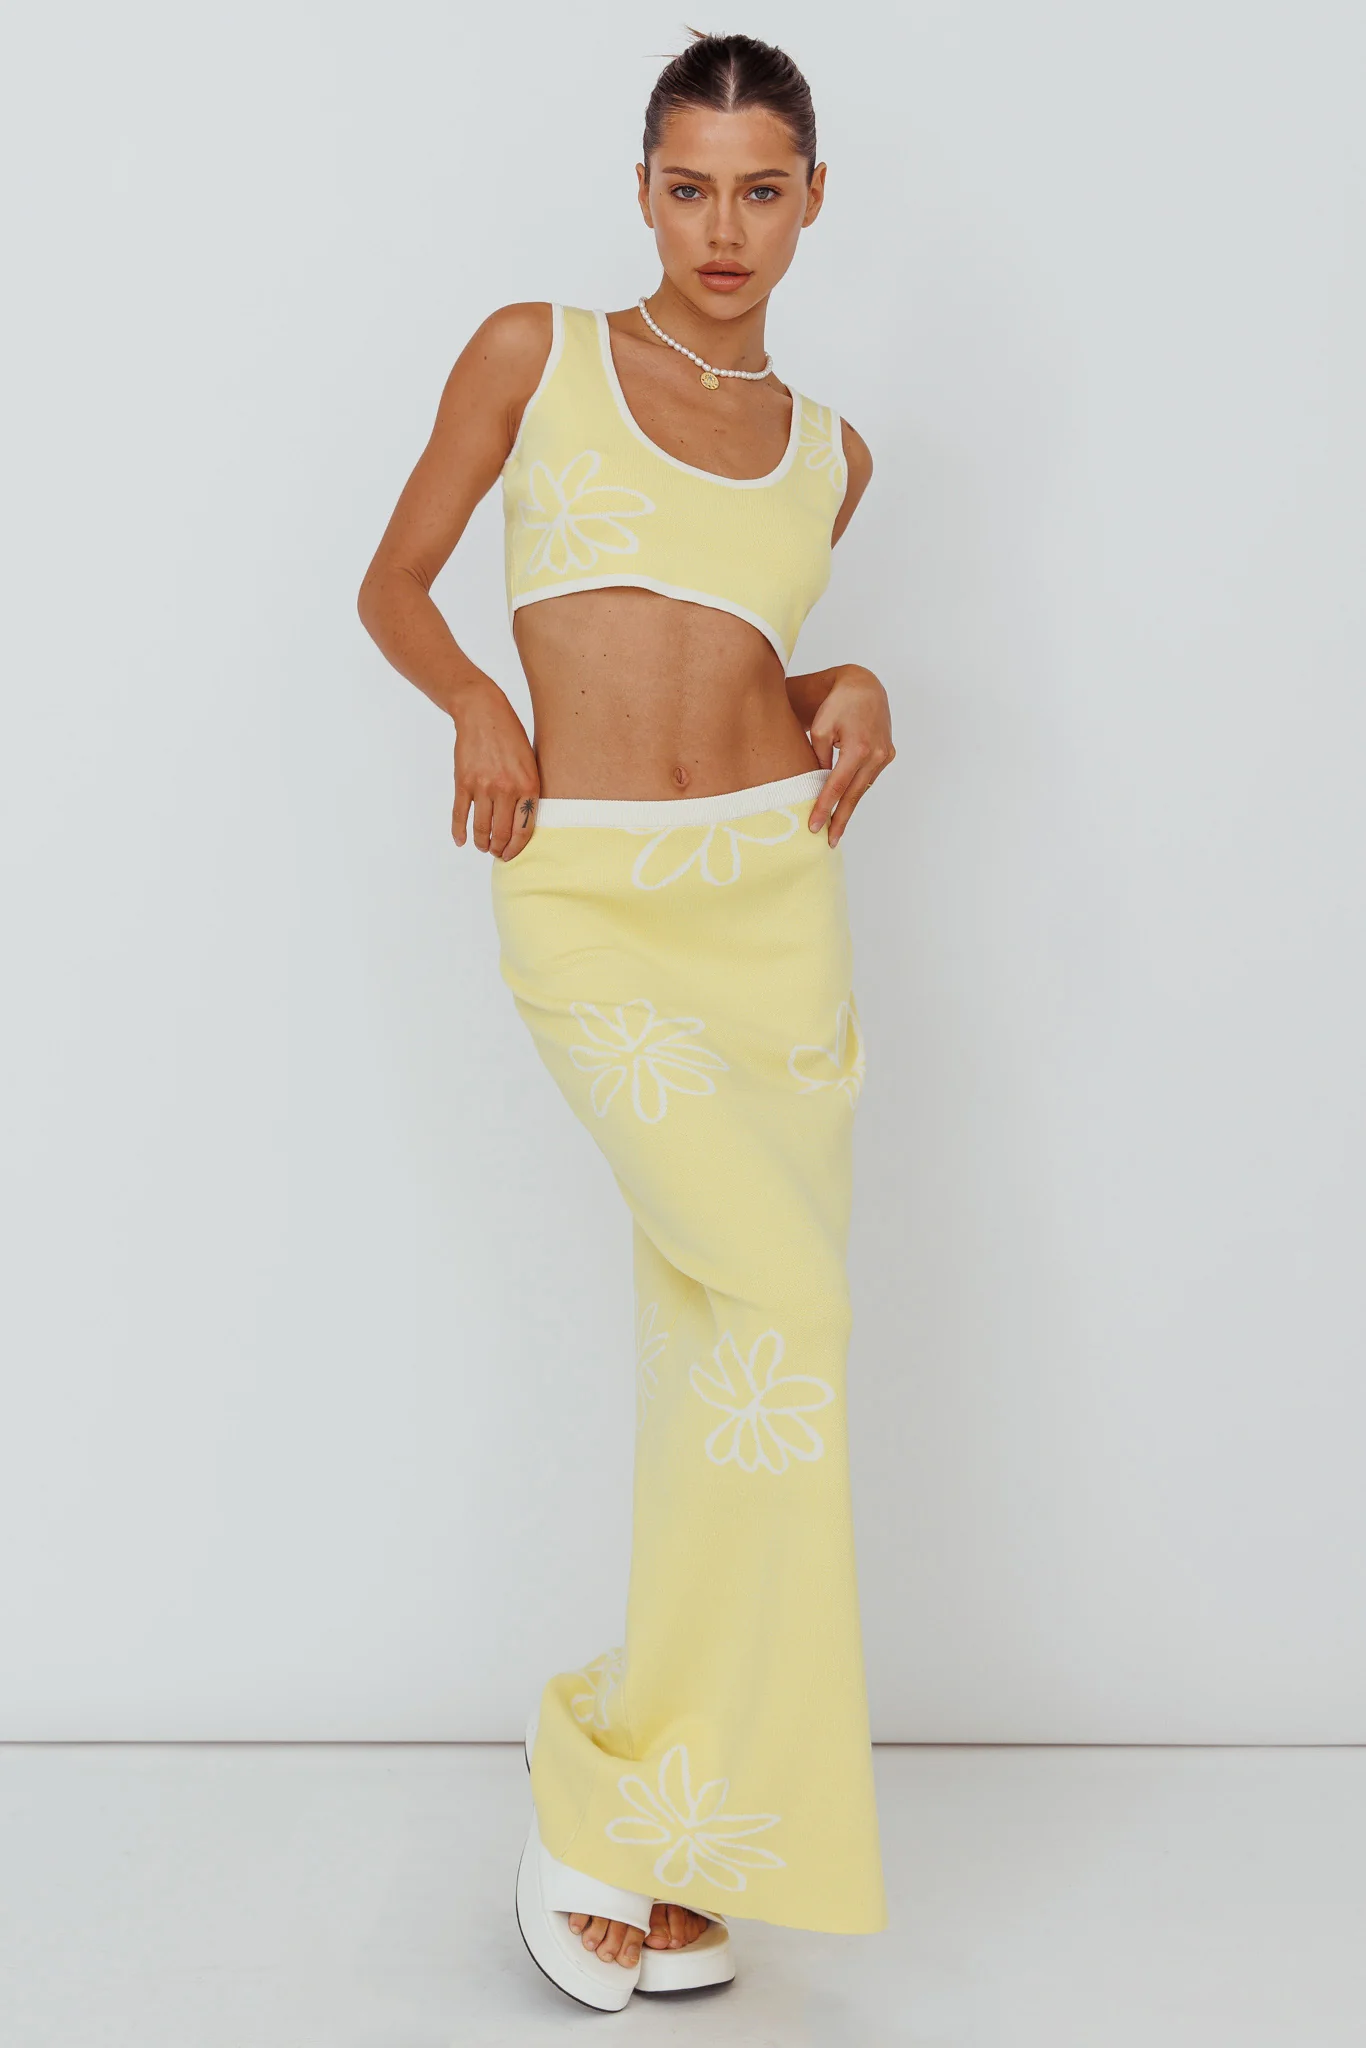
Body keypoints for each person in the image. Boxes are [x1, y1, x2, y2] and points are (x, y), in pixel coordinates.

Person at [357, 30, 895, 2013]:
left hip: (770, 908)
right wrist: (474, 703)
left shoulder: (835, 452)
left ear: (813, 200)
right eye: (686, 186)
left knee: (738, 1360)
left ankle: (670, 1829)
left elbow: (736, 662)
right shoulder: (540, 354)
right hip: (587, 897)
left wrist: (849, 687)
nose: (719, 228)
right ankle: (602, 1781)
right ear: (641, 190)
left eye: (758, 189)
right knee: (790, 1312)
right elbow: (394, 583)